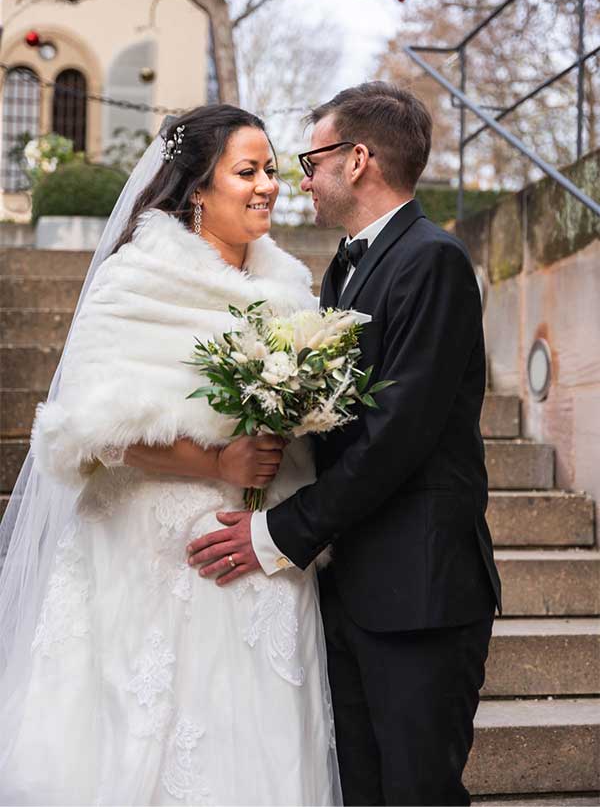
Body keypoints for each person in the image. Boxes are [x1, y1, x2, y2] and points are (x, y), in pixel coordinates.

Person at [0, 105, 341, 806]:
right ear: (196, 190)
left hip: (263, 553)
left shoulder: (289, 291)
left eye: (271, 170)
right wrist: (216, 465)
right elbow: (89, 432)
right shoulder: (135, 280)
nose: (267, 185)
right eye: (246, 171)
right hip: (148, 556)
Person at [187, 82, 503, 806]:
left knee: (416, 792)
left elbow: (400, 434)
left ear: (358, 160)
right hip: (353, 587)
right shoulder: (344, 267)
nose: (300, 177)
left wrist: (280, 531)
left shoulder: (433, 260)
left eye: (311, 158)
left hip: (420, 594)